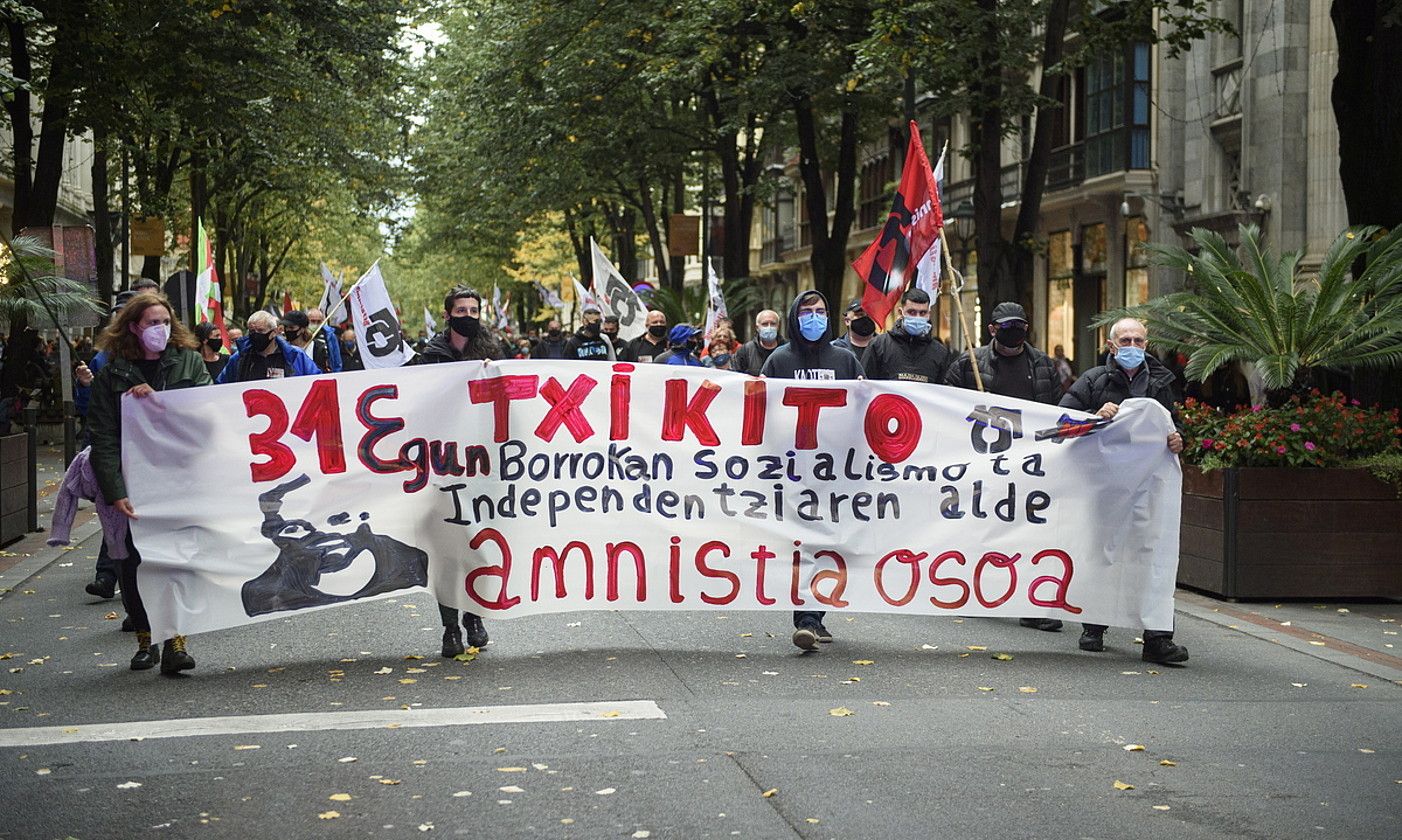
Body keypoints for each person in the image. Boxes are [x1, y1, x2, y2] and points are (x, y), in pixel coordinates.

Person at [86, 292, 212, 673]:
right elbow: (103, 436)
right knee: (136, 563)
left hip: (179, 479)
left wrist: (159, 401)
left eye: (165, 321)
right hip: (134, 483)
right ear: (132, 327)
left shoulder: (189, 361)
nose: (160, 329)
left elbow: (206, 414)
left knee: (176, 560)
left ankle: (176, 642)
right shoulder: (113, 371)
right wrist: (115, 491)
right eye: (151, 323)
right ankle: (146, 640)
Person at [1060, 317, 1189, 664]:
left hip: (1148, 486)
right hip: (1105, 487)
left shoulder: (1162, 381)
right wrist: (1094, 414)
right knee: (1104, 552)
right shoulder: (1093, 381)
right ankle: (1094, 624)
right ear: (1111, 345)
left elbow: (1174, 425)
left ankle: (1158, 637)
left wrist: (1178, 439)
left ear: (1147, 344)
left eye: (1139, 341)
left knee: (1153, 553)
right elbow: (1062, 423)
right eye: (1125, 341)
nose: (1132, 347)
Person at [944, 301, 1063, 632]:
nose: (1015, 332)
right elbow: (945, 406)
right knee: (980, 527)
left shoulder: (1044, 366)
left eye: (1020, 326)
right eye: (1007, 326)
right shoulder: (969, 365)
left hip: (1030, 466)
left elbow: (1056, 412)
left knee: (1029, 533)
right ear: (992, 330)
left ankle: (1033, 604)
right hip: (981, 465)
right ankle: (970, 591)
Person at [760, 290, 863, 650]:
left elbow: (866, 409)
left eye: (820, 311)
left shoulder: (846, 361)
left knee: (828, 543)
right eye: (807, 312)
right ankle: (806, 617)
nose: (814, 318)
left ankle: (815, 615)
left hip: (836, 473)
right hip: (791, 471)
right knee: (800, 544)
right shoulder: (778, 361)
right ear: (794, 317)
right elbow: (760, 411)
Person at [410, 286, 499, 657]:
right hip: (441, 467)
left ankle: (474, 617)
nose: (468, 314)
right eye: (461, 309)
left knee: (478, 546)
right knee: (446, 552)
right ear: (447, 314)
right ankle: (450, 628)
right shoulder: (428, 357)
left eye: (474, 309)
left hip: (483, 465)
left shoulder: (493, 352)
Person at [861, 288, 949, 384]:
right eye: (912, 312)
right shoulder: (879, 345)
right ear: (900, 312)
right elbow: (865, 386)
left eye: (922, 313)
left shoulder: (940, 352)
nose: (917, 317)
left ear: (929, 314)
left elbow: (944, 393)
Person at [216, 311, 322, 383]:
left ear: (274, 332)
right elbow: (222, 386)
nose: (256, 334)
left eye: (261, 330)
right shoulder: (239, 358)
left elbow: (317, 382)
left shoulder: (295, 356)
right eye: (252, 331)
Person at [733, 309, 784, 375]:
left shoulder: (788, 349)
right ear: (757, 327)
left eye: (773, 324)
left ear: (778, 326)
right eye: (765, 324)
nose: (769, 327)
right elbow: (735, 376)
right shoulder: (745, 351)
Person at [305, 308, 343, 373]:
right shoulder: (302, 334)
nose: (316, 324)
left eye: (319, 321)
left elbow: (337, 360)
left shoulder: (329, 335)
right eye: (313, 321)